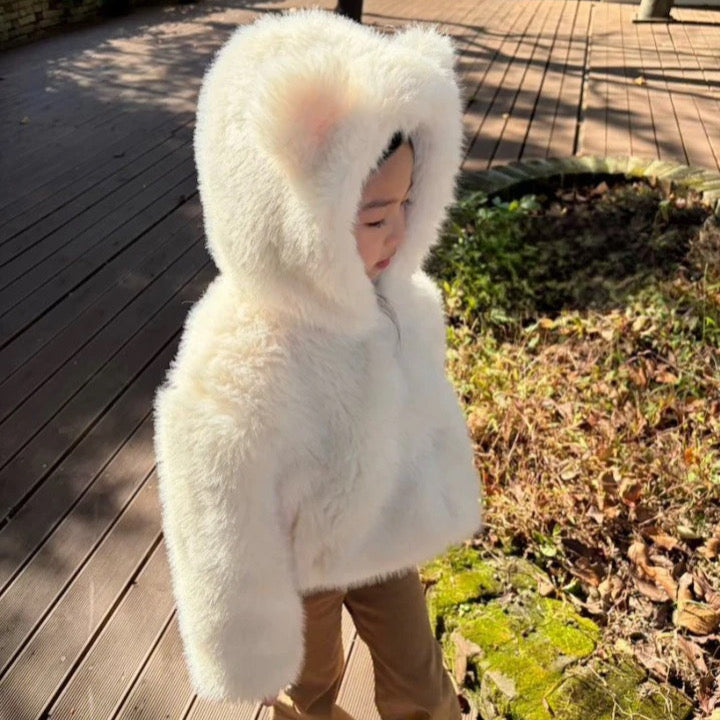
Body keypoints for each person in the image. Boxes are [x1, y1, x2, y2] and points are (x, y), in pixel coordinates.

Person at [153, 9, 482, 720]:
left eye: (408, 204)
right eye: (373, 216)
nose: (399, 232)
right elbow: (213, 504)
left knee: (421, 681)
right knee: (310, 688)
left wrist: (435, 487)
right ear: (295, 214)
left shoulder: (401, 302)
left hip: (387, 528)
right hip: (301, 560)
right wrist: (243, 637)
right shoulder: (243, 352)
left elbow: (421, 409)